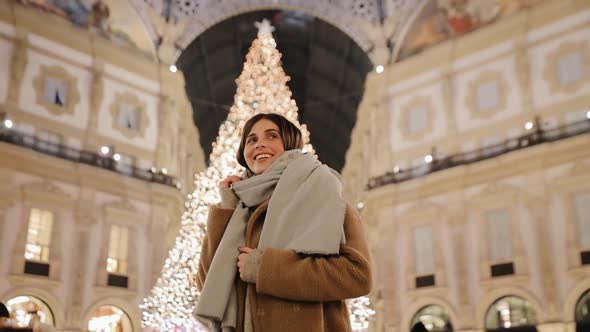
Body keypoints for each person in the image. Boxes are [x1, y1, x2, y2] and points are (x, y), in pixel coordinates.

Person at [195, 113, 372, 332]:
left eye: (271, 136)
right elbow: (207, 283)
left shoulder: (324, 192)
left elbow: (357, 276)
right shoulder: (241, 208)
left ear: (289, 144)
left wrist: (265, 268)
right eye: (252, 140)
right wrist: (228, 208)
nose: (260, 144)